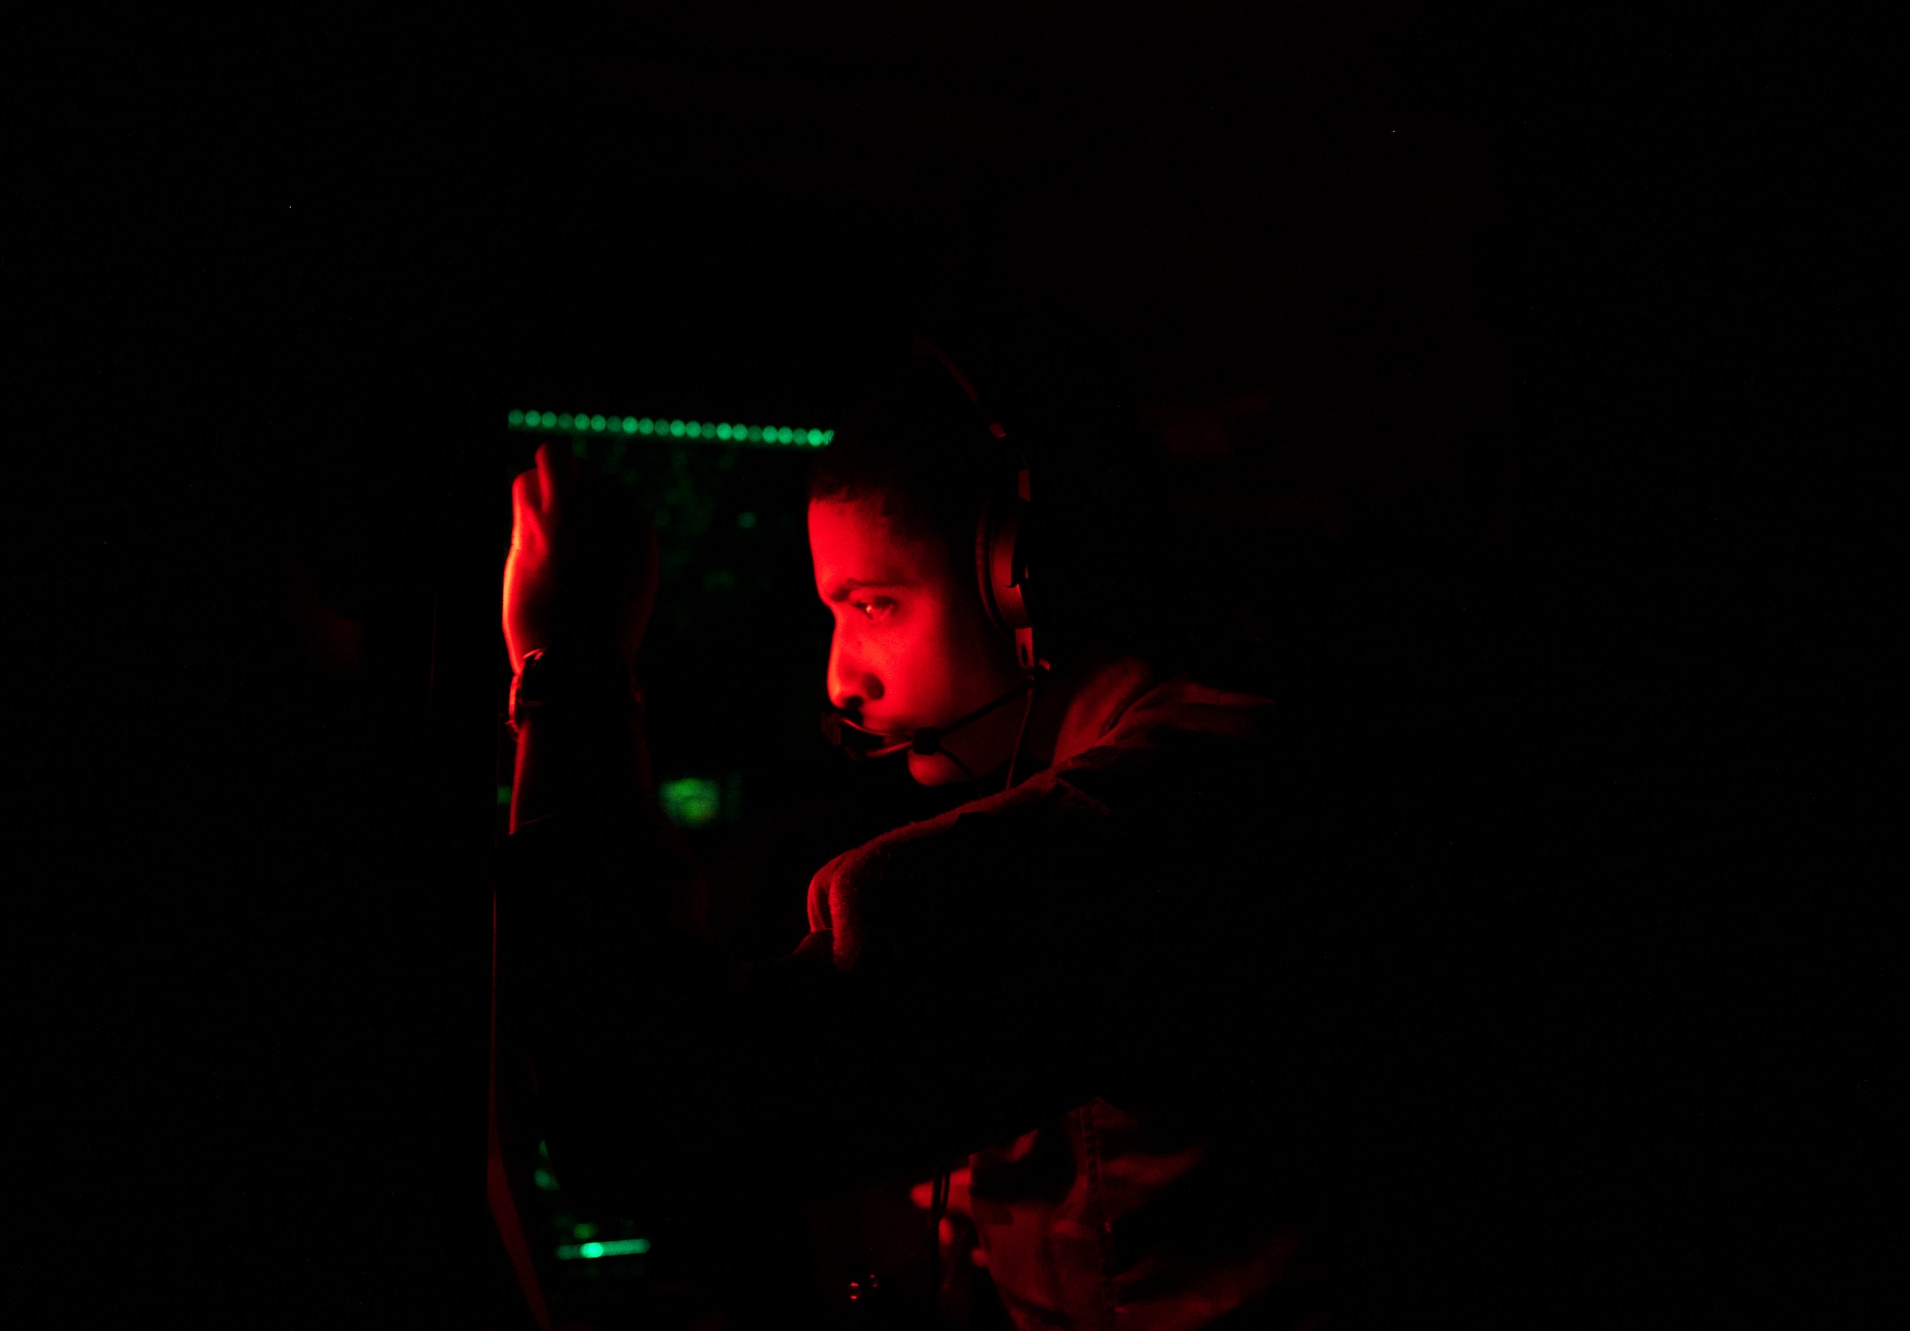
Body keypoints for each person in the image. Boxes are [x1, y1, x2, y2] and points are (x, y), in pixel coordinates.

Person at [495, 320, 1347, 1330]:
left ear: (1021, 575)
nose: (838, 676)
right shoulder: (1233, 753)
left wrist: (571, 665)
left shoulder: (1122, 836)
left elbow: (649, 1120)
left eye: (874, 603)